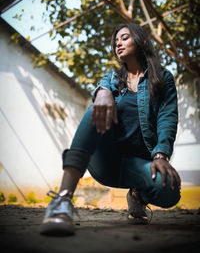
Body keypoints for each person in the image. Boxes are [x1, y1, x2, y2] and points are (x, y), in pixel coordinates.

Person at [40, 23, 181, 235]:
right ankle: (62, 200)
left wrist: (161, 154)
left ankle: (138, 196)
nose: (118, 43)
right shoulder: (112, 78)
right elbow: (103, 89)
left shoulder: (163, 78)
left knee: (169, 189)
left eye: (124, 38)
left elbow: (167, 117)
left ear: (141, 40)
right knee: (97, 107)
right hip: (106, 160)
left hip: (139, 163)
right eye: (116, 41)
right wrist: (103, 92)